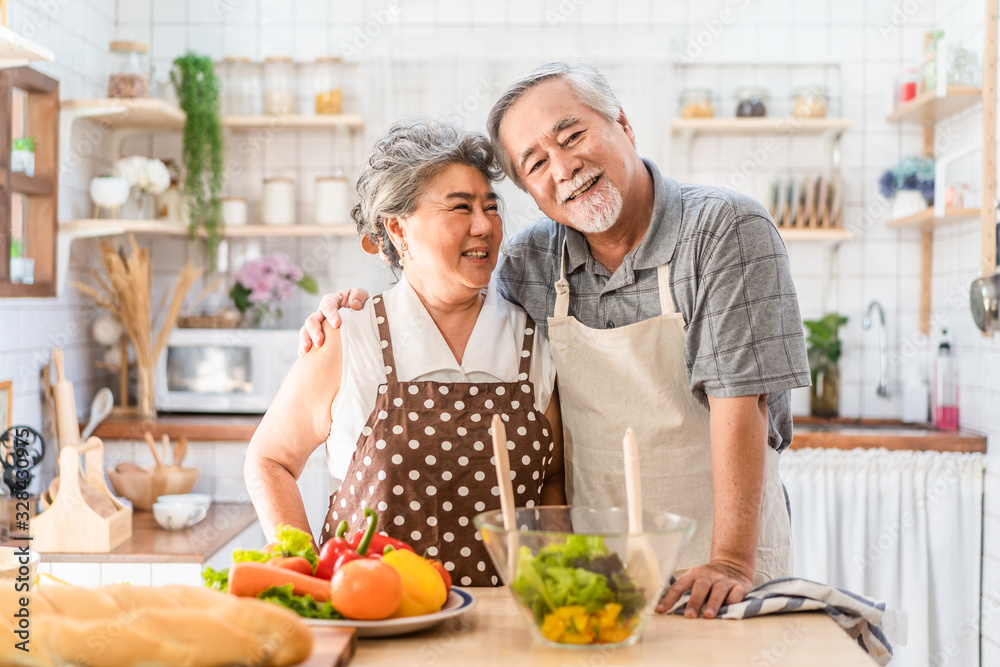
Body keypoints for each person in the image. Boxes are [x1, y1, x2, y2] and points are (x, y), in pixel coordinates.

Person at [299, 62, 810, 617]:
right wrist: (353, 311)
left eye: (572, 136)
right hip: (597, 574)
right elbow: (443, 287)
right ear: (530, 193)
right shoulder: (532, 263)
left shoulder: (724, 229)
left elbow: (745, 399)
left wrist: (731, 562)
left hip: (718, 567)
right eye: (535, 163)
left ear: (624, 125)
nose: (564, 168)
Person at [245, 119, 565, 587]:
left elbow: (551, 481)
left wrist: (555, 585)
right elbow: (269, 460)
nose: (484, 226)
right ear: (397, 229)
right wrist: (308, 575)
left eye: (490, 207)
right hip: (377, 619)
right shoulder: (348, 336)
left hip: (507, 622)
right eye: (460, 207)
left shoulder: (530, 339)